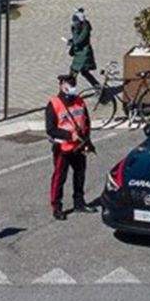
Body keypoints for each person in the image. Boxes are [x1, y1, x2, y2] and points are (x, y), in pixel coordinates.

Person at [46, 74, 97, 220]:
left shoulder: (80, 101)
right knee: (59, 177)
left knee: (80, 174)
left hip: (79, 146)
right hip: (63, 148)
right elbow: (50, 129)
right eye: (70, 85)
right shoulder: (54, 104)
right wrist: (69, 136)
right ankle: (57, 206)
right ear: (62, 85)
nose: (73, 88)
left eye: (74, 85)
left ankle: (79, 202)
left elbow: (86, 123)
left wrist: (87, 142)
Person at [66, 7, 98, 89]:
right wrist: (71, 40)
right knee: (84, 72)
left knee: (73, 72)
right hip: (79, 53)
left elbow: (78, 40)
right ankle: (98, 87)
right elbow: (75, 39)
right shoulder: (79, 26)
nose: (74, 23)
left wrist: (74, 37)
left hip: (84, 54)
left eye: (75, 21)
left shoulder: (85, 28)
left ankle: (70, 90)